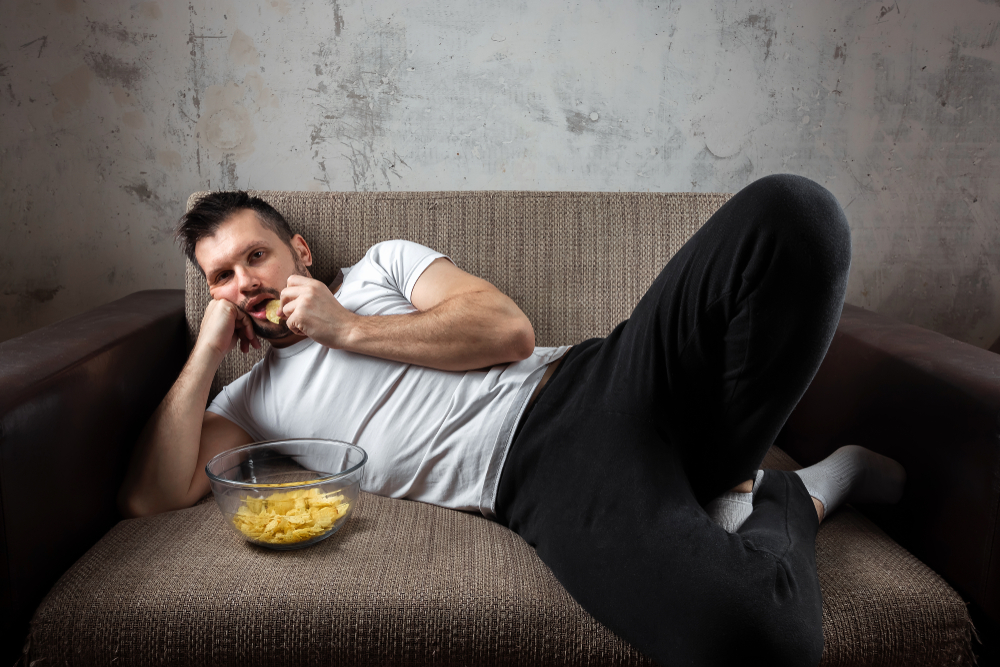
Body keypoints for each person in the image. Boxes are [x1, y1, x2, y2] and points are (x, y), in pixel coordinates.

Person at [118, 174, 906, 667]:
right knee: (766, 641)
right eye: (222, 277)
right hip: (545, 471)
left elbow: (508, 332)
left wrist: (346, 326)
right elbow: (151, 494)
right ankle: (788, 498)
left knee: (795, 213)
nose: (245, 281)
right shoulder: (249, 403)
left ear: (298, 249)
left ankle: (724, 474)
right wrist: (207, 352)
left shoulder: (381, 267)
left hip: (601, 374)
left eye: (255, 256)